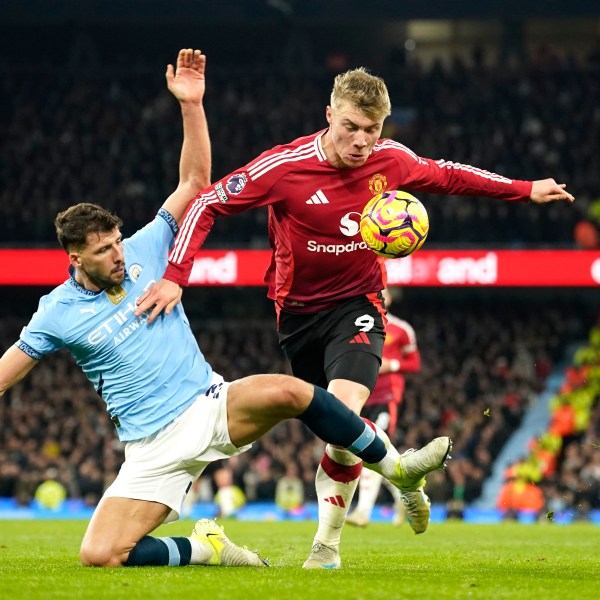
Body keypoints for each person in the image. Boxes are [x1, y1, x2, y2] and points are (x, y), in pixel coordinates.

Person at [0, 49, 451, 570]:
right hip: (149, 448)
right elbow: (8, 374)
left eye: (118, 242)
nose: (119, 256)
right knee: (101, 555)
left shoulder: (148, 248)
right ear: (75, 259)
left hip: (209, 407)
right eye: (104, 252)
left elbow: (196, 187)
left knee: (292, 392)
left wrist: (191, 105)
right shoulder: (55, 312)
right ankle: (206, 549)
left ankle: (396, 469)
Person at [134, 66, 574, 569]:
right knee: (340, 436)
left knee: (346, 411)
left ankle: (326, 548)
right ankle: (402, 474)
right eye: (351, 127)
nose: (362, 141)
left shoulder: (392, 161)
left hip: (358, 303)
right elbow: (208, 201)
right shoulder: (285, 167)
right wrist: (175, 275)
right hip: (297, 316)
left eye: (372, 129)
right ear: (328, 116)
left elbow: (451, 175)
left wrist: (524, 188)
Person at [346, 287, 421, 529]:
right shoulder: (357, 325)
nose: (380, 295)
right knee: (378, 455)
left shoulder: (401, 330)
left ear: (390, 298)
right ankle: (407, 491)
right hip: (360, 395)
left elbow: (415, 363)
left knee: (370, 449)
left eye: (384, 292)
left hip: (386, 396)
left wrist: (392, 364)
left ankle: (363, 512)